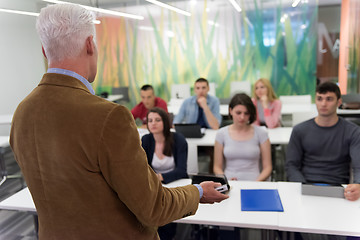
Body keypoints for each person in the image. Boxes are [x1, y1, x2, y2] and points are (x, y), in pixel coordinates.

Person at [9, 4, 228, 239]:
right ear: (90, 45)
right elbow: (154, 207)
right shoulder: (108, 116)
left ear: (44, 50)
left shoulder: (22, 113)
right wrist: (197, 192)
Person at [286, 81, 360, 201]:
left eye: (329, 99)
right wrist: (301, 186)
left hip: (338, 189)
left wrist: (358, 185)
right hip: (305, 187)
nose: (323, 104)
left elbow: (359, 166)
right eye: (319, 99)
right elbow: (291, 165)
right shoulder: (300, 130)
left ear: (339, 102)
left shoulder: (353, 132)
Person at [141, 107, 188, 240]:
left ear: (165, 122)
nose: (153, 123)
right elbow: (144, 168)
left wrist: (160, 177)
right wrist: (154, 180)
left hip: (175, 184)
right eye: (150, 120)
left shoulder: (178, 139)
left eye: (157, 120)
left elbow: (181, 170)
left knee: (167, 219)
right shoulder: (146, 140)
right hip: (155, 186)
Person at [213, 93, 272, 181]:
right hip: (230, 182)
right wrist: (226, 181)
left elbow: (268, 168)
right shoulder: (221, 134)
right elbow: (217, 167)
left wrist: (256, 182)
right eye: (238, 113)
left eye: (246, 113)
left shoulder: (261, 133)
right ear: (230, 110)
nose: (242, 117)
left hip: (255, 181)